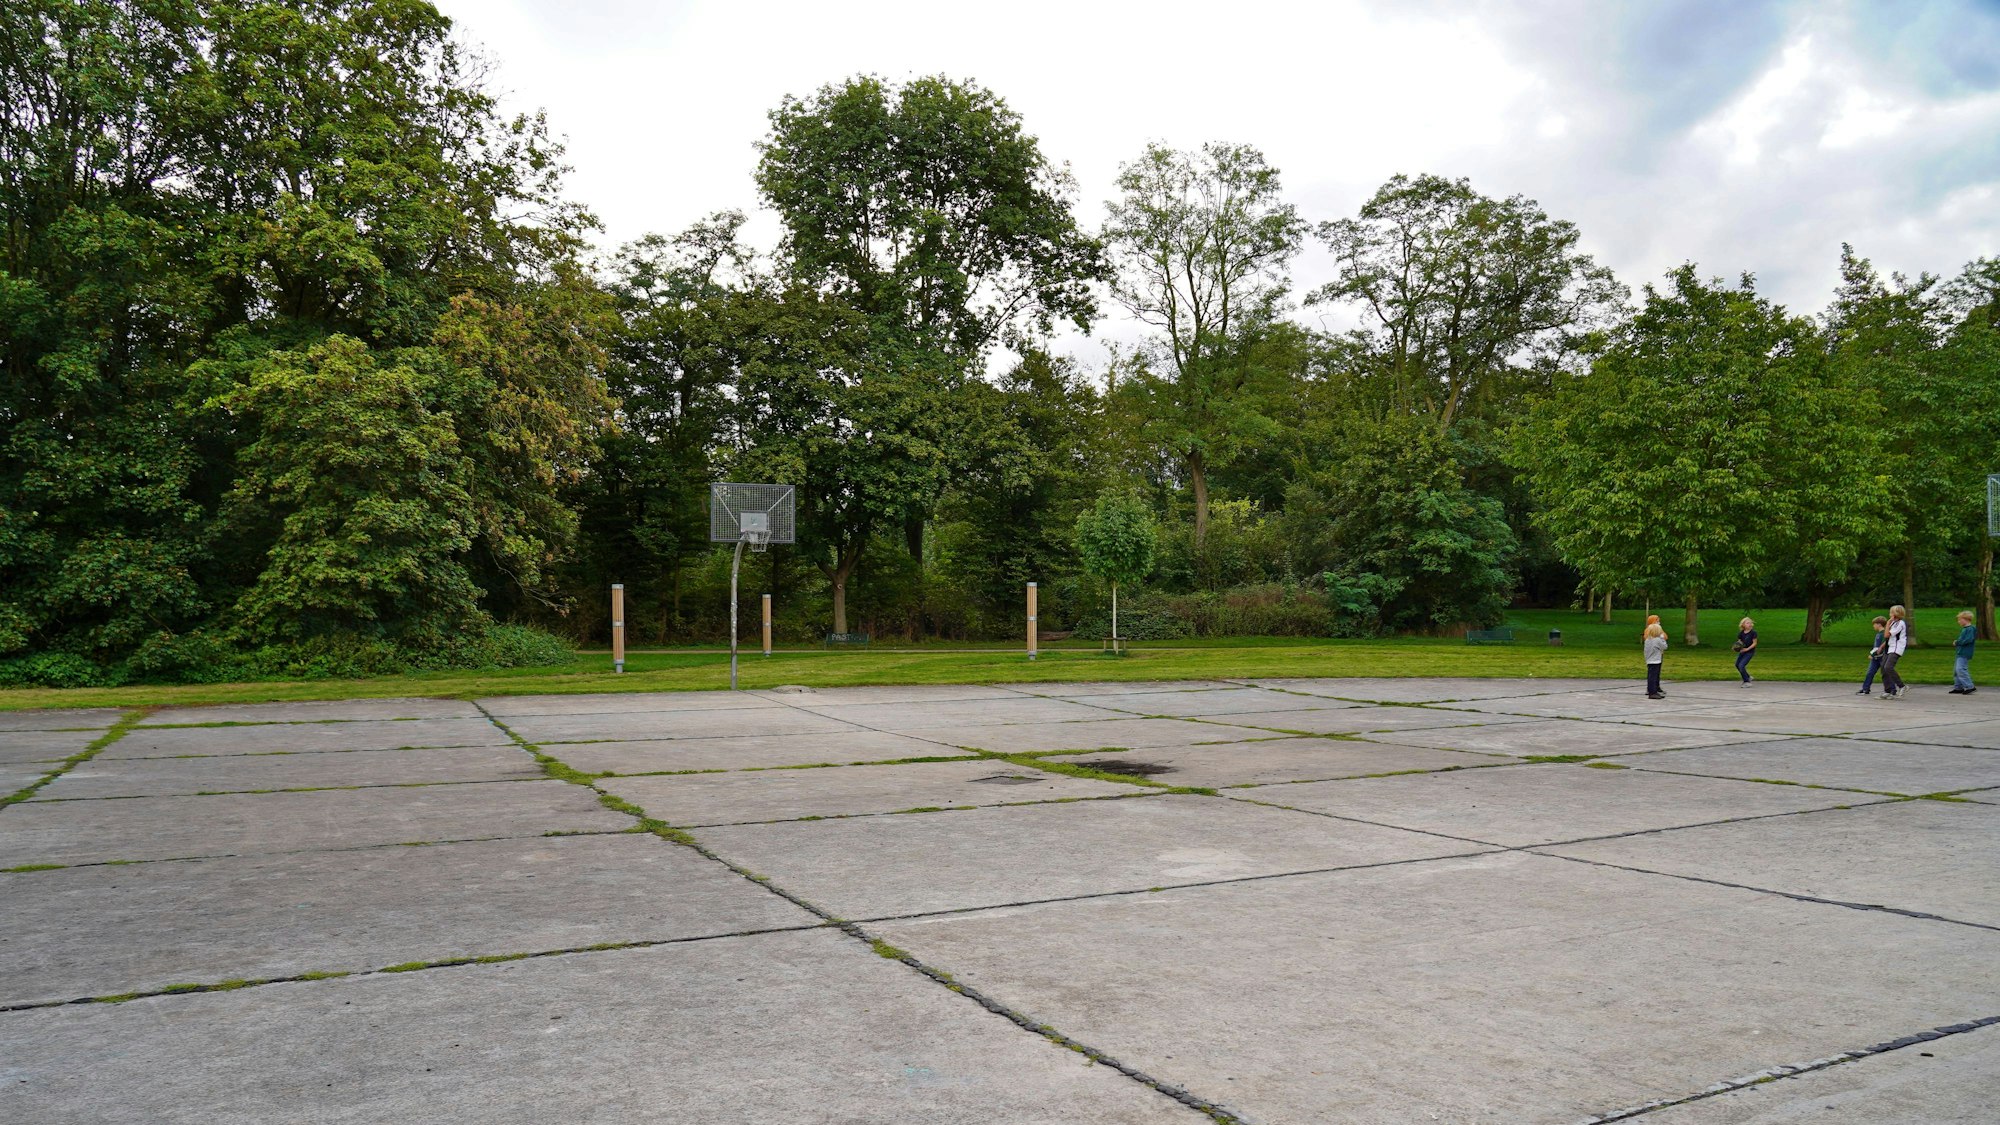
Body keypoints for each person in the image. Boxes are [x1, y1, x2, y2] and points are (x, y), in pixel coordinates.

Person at [1879, 604, 1909, 699]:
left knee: (1888, 667)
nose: (1889, 614)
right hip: (1889, 647)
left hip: (1896, 648)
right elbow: (1888, 638)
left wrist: (1887, 623)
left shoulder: (1900, 623)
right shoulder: (1893, 623)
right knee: (1883, 668)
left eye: (1891, 612)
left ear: (1896, 614)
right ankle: (1887, 690)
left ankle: (1902, 686)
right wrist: (1882, 646)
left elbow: (1887, 635)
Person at [1858, 616, 1889, 695]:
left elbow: (1879, 647)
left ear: (1879, 624)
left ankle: (1890, 689)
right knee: (1870, 672)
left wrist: (1872, 654)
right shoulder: (1879, 634)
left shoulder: (1882, 634)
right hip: (1876, 658)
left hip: (1881, 657)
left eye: (1874, 624)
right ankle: (1865, 688)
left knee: (1885, 673)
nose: (1873, 626)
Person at [1950, 610, 1977, 695]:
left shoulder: (1970, 629)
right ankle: (1958, 687)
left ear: (1966, 619)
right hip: (1960, 652)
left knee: (1960, 669)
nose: (1958, 622)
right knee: (1956, 670)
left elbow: (1968, 640)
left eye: (1959, 620)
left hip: (1965, 652)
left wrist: (1957, 642)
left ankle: (1970, 686)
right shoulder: (1965, 629)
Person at [1643, 621, 1668, 699]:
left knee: (1651, 676)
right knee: (1653, 677)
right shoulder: (1657, 640)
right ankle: (1652, 692)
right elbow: (1665, 647)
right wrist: (1662, 638)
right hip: (1656, 660)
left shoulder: (1648, 639)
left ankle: (1653, 691)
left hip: (1649, 659)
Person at [1732, 617, 1758, 685]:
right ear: (1743, 625)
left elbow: (1754, 643)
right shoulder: (1741, 633)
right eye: (1747, 623)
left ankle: (1747, 682)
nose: (1750, 624)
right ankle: (1748, 677)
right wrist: (1736, 647)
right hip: (1743, 651)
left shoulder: (1753, 633)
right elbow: (1739, 642)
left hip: (1749, 652)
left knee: (1741, 665)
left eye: (1750, 623)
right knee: (1737, 664)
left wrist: (1747, 649)